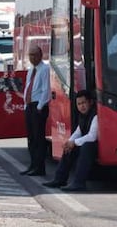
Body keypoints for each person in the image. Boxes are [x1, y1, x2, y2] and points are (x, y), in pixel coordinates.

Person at [42, 90, 97, 192]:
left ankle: (79, 183)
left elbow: (92, 136)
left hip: (97, 146)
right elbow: (78, 132)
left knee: (86, 147)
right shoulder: (82, 116)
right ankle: (59, 179)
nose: (82, 106)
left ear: (90, 102)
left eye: (84, 103)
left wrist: (74, 143)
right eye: (79, 104)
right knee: (68, 148)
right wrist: (69, 142)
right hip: (86, 143)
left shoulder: (96, 116)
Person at [21, 46, 50, 176]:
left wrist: (40, 107)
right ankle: (33, 165)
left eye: (35, 55)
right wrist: (25, 105)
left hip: (38, 106)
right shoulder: (31, 70)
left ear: (40, 55)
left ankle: (40, 167)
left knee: (39, 138)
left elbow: (46, 90)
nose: (32, 58)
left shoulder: (44, 69)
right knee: (31, 138)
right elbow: (28, 87)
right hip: (30, 105)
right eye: (30, 55)